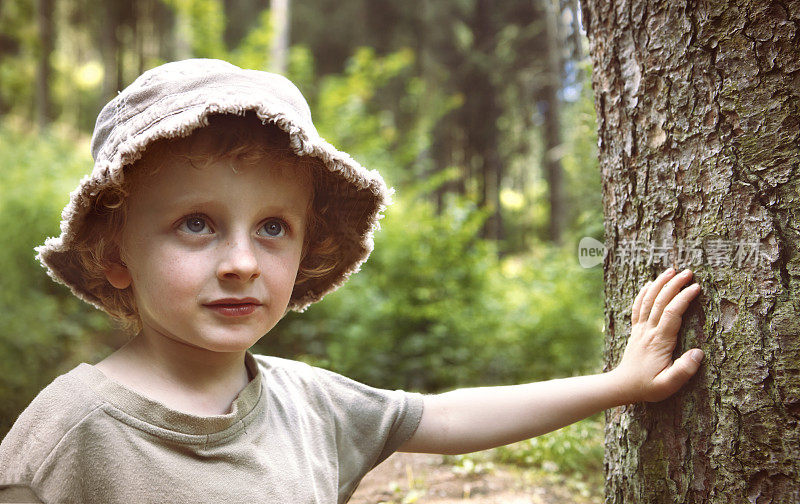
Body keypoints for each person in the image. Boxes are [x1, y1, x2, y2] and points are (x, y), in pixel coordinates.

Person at [0, 59, 705, 504]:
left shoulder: (311, 407)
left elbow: (450, 418)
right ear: (115, 252)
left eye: (273, 227)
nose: (243, 261)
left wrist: (620, 384)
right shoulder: (70, 434)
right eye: (196, 224)